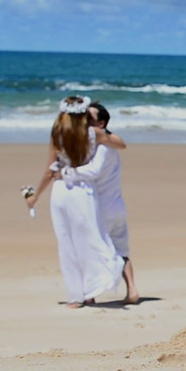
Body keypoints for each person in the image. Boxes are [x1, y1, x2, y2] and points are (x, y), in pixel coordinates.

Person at [25, 96, 124, 308]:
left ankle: (75, 296)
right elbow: (121, 144)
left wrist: (35, 196)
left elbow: (49, 171)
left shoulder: (57, 135)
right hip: (84, 191)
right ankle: (91, 290)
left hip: (61, 191)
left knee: (66, 243)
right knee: (88, 240)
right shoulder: (93, 134)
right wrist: (104, 135)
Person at [62, 101, 139, 304]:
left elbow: (94, 172)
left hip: (100, 208)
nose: (85, 122)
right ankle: (132, 291)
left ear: (102, 123)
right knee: (122, 250)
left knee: (91, 249)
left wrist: (66, 173)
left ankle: (91, 294)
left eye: (90, 119)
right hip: (116, 205)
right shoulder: (108, 143)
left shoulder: (103, 146)